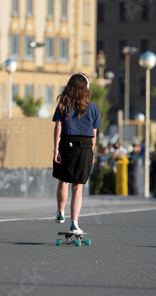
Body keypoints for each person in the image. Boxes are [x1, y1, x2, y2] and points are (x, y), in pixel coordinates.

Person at [52, 73, 100, 234]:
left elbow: (58, 128)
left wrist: (56, 149)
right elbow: (94, 134)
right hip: (85, 146)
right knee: (78, 187)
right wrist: (91, 153)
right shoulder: (93, 107)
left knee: (63, 180)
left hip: (67, 143)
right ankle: (74, 223)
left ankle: (60, 212)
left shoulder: (63, 104)